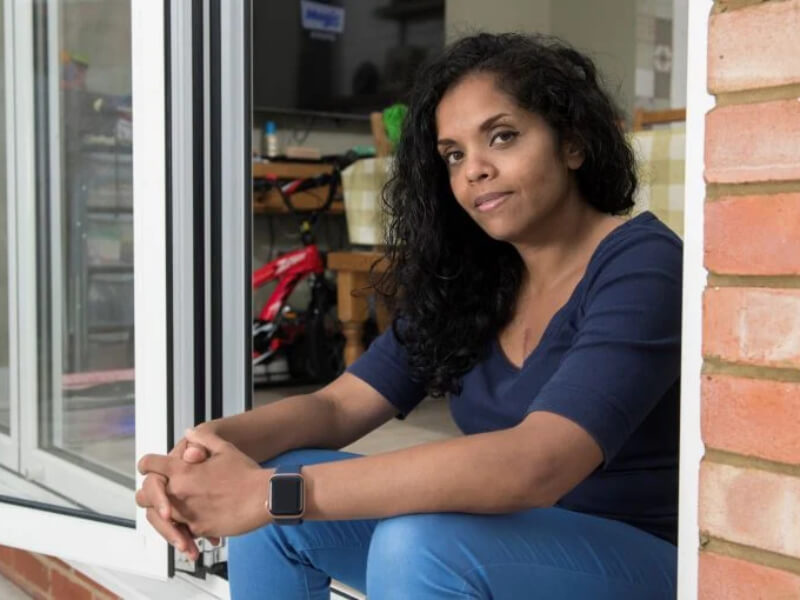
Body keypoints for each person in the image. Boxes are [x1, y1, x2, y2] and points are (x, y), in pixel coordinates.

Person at [136, 32, 682, 599]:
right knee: (277, 510)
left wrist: (270, 491)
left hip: (639, 562)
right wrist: (208, 444)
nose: (475, 170)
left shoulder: (643, 264)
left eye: (503, 136)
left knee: (410, 540)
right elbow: (336, 406)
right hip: (509, 542)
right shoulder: (476, 280)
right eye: (454, 155)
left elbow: (537, 463)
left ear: (573, 143)